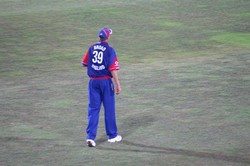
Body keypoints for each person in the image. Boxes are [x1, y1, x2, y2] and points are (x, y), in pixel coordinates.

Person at [81, 27, 122, 147]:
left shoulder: (92, 48)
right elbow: (112, 68)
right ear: (108, 37)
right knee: (109, 109)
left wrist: (95, 67)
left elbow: (84, 63)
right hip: (105, 82)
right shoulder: (110, 50)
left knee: (93, 109)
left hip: (93, 82)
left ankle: (90, 137)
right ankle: (112, 135)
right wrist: (117, 84)